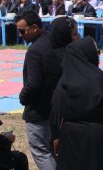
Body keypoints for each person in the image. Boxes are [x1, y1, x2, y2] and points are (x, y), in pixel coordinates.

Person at [51, 37, 103, 170]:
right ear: (87, 54)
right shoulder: (101, 81)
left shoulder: (62, 83)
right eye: (96, 52)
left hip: (71, 140)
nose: (99, 55)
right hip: (101, 141)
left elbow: (56, 114)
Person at [15, 10, 57, 170]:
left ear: (33, 28)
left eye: (21, 31)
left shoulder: (34, 51)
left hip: (39, 111)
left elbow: (33, 84)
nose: (20, 35)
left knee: (41, 151)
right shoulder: (52, 41)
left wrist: (23, 97)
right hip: (55, 107)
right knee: (53, 150)